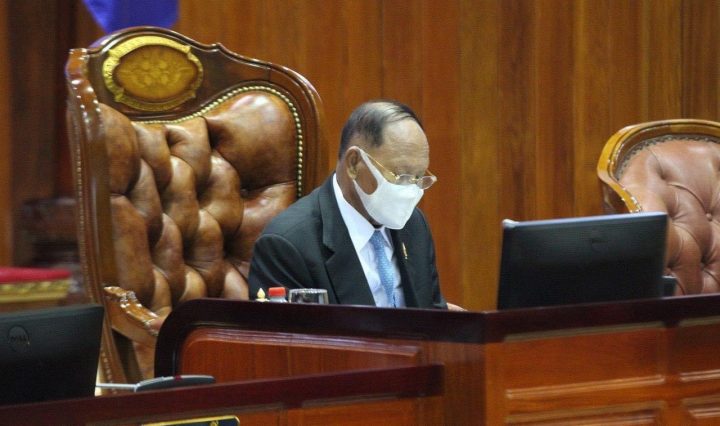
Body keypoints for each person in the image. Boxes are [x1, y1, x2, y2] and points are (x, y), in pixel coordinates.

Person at [248, 100, 446, 308]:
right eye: (400, 176)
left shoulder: (414, 225)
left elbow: (432, 314)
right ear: (354, 164)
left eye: (419, 177)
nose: (410, 191)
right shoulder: (287, 245)